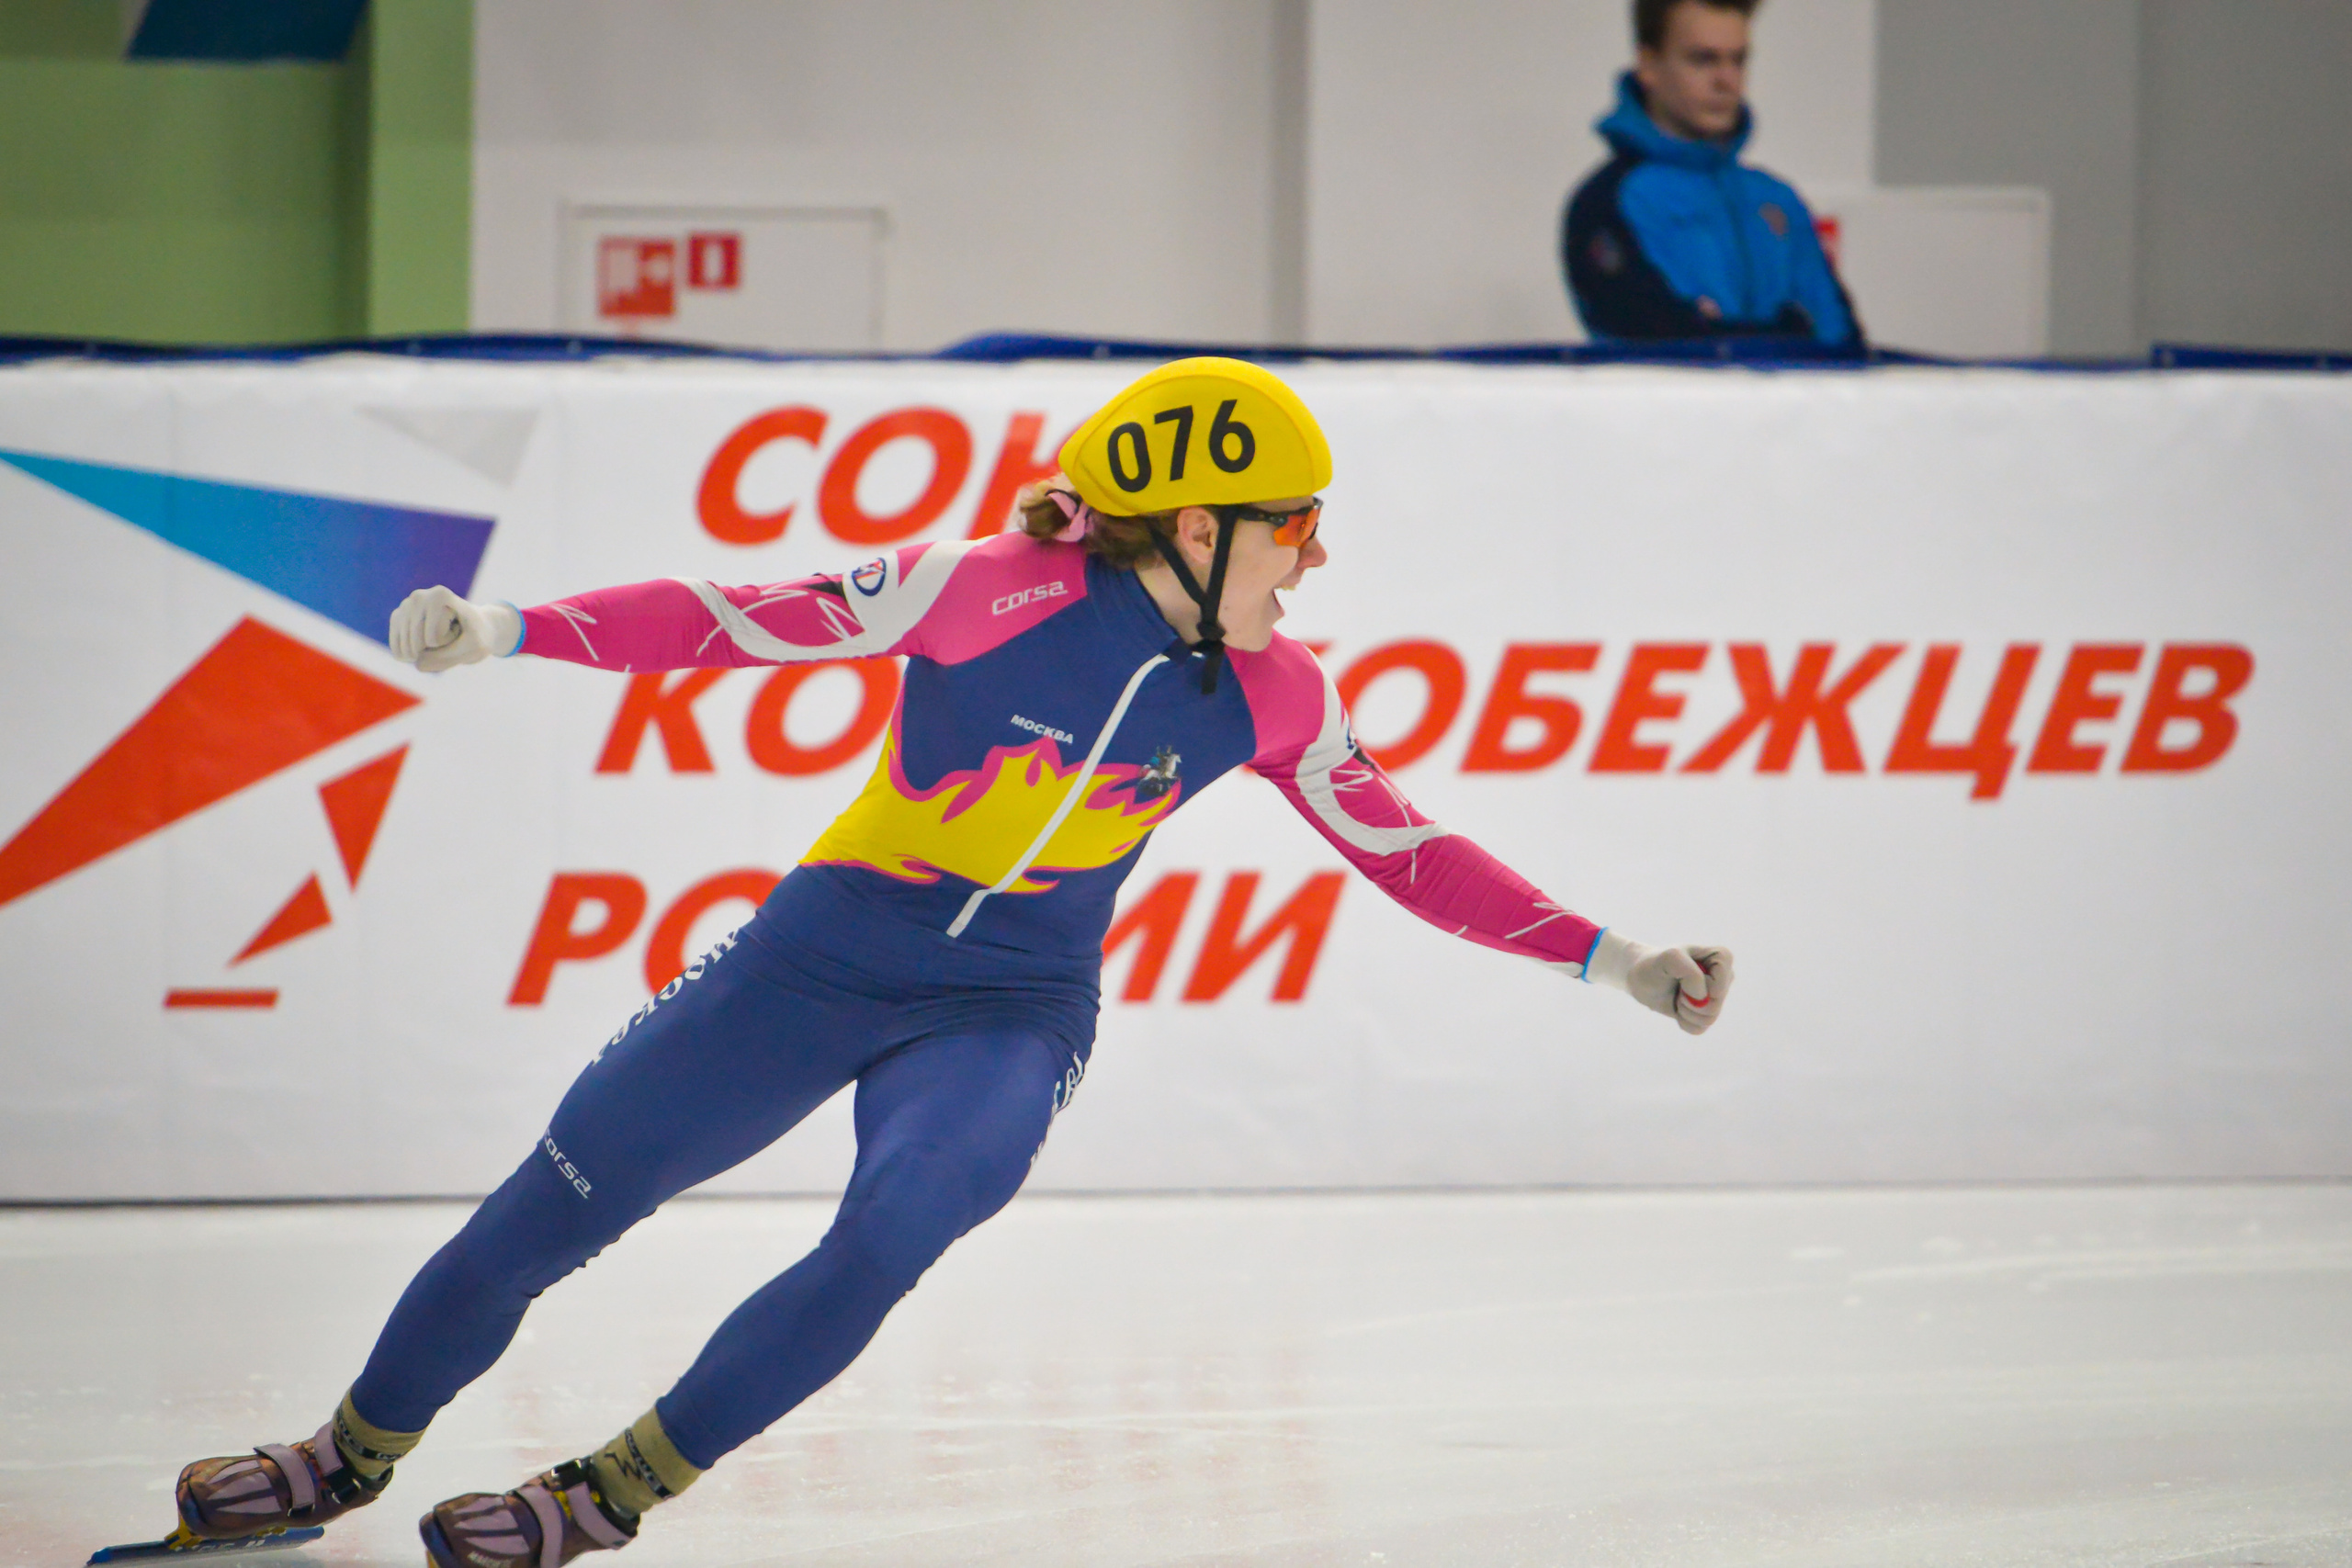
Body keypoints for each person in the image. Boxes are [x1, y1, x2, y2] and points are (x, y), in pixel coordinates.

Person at [155, 357, 1734, 1566]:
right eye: (1300, 526)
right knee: (556, 1204)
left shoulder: (1281, 698)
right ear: (1200, 528)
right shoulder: (987, 588)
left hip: (1007, 1009)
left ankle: (606, 1494)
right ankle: (345, 1456)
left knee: (893, 1228)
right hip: (816, 960)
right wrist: (513, 630)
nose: (1317, 559)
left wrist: (1624, 960)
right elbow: (738, 618)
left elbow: (1411, 853)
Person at [1562, 0, 1860, 347]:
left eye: (1738, 60)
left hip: (1800, 404)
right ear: (1649, 66)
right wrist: (1792, 330)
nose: (1726, 80)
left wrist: (1729, 331)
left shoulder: (1779, 201)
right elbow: (1664, 345)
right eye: (1703, 60)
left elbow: (1845, 347)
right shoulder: (1605, 203)